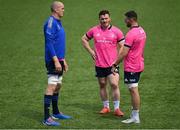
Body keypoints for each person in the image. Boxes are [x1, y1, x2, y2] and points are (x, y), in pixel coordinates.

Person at [81, 10, 124, 116]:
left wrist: (118, 59)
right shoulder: (94, 30)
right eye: (102, 19)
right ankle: (106, 107)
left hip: (112, 64)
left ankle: (117, 108)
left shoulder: (116, 31)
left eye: (106, 18)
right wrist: (91, 51)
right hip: (99, 64)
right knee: (102, 85)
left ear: (110, 19)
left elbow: (123, 46)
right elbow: (84, 39)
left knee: (114, 84)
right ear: (99, 19)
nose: (104, 20)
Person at [112, 10, 147, 123]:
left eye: (126, 19)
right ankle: (134, 115)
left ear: (131, 19)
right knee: (133, 88)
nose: (124, 21)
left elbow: (124, 52)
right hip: (139, 63)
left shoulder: (131, 33)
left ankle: (135, 117)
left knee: (133, 89)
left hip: (132, 65)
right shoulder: (142, 31)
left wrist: (115, 64)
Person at [43, 1, 71, 126]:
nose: (64, 10)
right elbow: (49, 43)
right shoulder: (50, 23)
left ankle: (55, 112)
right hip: (52, 60)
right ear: (55, 10)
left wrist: (62, 60)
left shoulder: (58, 22)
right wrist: (55, 60)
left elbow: (58, 42)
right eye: (62, 8)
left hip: (59, 59)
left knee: (58, 85)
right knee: (52, 85)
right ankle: (46, 118)